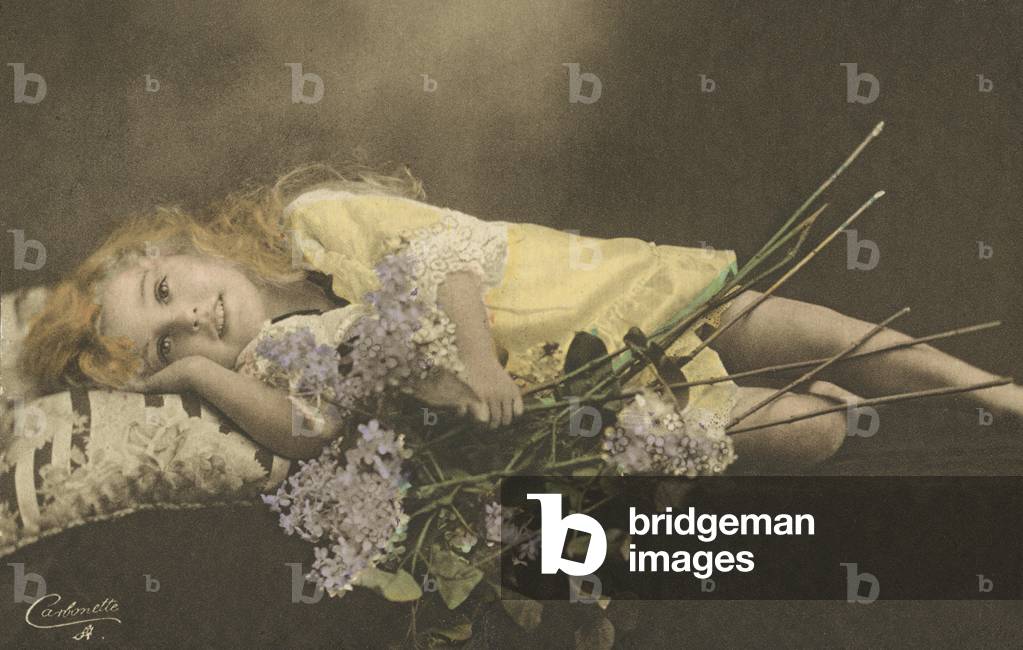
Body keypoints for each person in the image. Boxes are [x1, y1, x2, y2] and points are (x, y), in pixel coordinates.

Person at [20, 163, 1023, 470]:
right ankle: (917, 432)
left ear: (173, 250)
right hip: (579, 402)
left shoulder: (310, 222)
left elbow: (446, 245)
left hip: (582, 295)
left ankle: (1001, 397)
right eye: (168, 342)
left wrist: (477, 364)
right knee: (815, 431)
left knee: (822, 331)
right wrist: (199, 377)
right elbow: (306, 430)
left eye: (165, 294)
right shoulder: (285, 356)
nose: (194, 318)